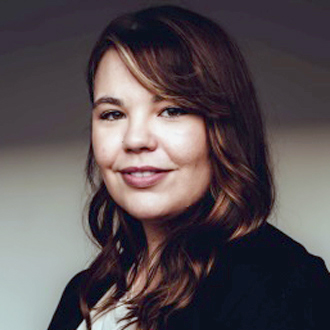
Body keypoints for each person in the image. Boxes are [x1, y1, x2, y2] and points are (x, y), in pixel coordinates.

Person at [47, 5, 329, 330]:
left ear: (222, 129)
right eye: (113, 114)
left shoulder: (283, 285)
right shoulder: (84, 293)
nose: (135, 139)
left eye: (172, 109)